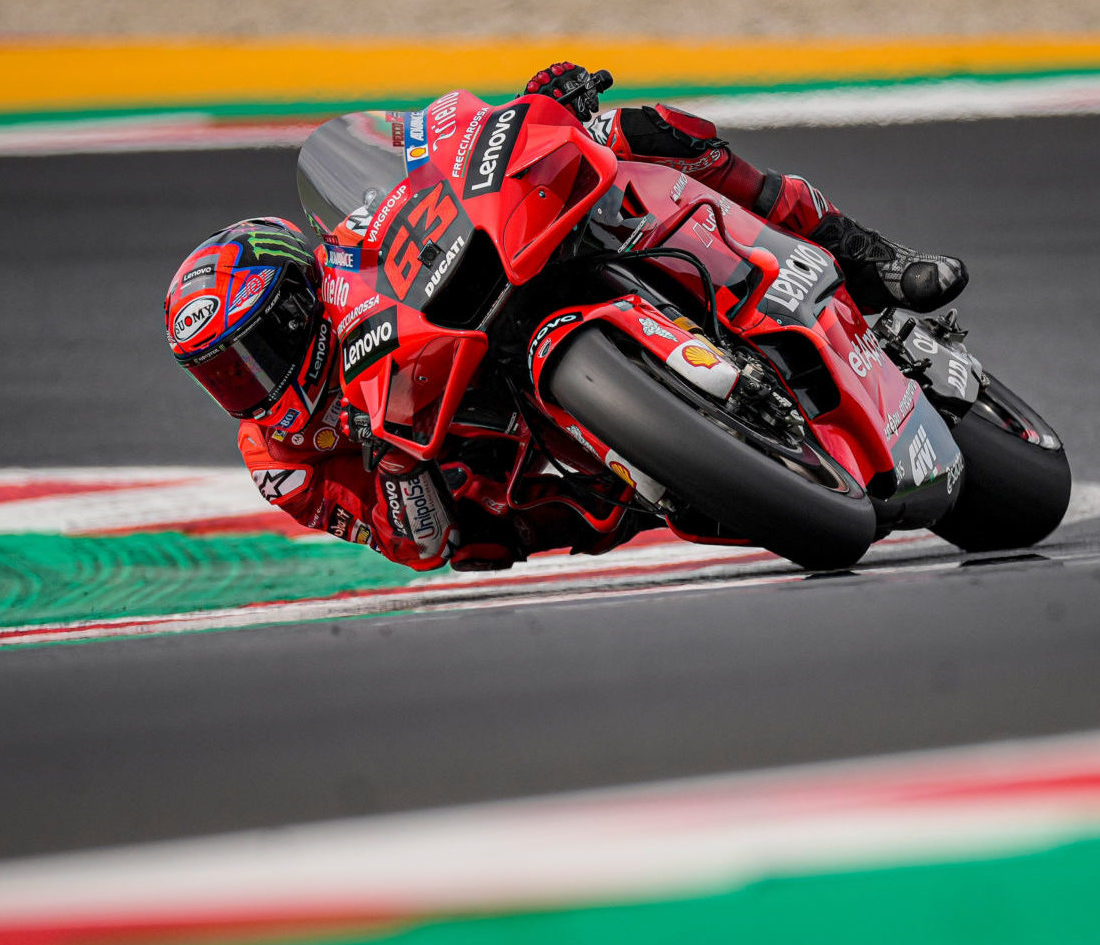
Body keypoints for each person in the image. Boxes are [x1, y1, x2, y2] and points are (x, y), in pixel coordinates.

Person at [164, 63, 969, 572]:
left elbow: (423, 158)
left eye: (256, 349)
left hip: (515, 283)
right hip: (500, 456)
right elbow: (412, 546)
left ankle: (868, 256)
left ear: (303, 299)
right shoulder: (284, 458)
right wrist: (402, 474)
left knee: (644, 133)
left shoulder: (350, 263)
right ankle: (664, 469)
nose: (251, 382)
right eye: (224, 375)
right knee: (485, 540)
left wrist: (528, 112)